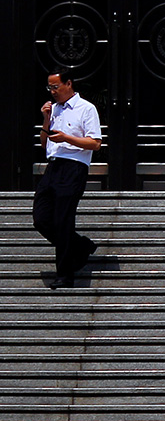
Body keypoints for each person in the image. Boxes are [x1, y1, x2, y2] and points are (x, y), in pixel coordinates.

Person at [35, 70, 102, 289]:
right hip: (53, 166)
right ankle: (80, 246)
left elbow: (95, 143)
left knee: (63, 220)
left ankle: (65, 275)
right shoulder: (53, 109)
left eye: (55, 86)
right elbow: (44, 143)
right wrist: (46, 118)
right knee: (41, 218)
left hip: (74, 167)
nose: (52, 92)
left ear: (69, 84)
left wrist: (67, 138)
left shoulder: (86, 108)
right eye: (49, 88)